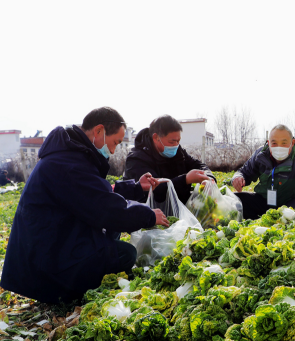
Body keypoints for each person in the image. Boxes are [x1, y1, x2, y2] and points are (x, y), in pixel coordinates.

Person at [0, 107, 170, 305]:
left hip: (55, 242)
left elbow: (99, 192)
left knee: (112, 231)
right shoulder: (68, 164)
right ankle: (64, 293)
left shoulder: (70, 155)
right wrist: (148, 215)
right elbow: (104, 207)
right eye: (115, 142)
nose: (114, 150)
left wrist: (135, 187)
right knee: (126, 254)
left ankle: (78, 277)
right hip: (47, 263)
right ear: (99, 131)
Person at [123, 115, 216, 207]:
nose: (175, 145)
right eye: (172, 142)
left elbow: (198, 165)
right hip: (151, 215)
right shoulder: (137, 159)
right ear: (156, 138)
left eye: (178, 141)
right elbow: (156, 190)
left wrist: (208, 177)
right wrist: (185, 180)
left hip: (180, 210)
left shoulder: (178, 151)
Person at [232, 124, 295, 219]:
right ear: (268, 143)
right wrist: (238, 177)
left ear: (292, 143)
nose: (279, 147)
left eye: (284, 143)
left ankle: (280, 222)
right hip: (265, 202)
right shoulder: (260, 155)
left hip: (290, 205)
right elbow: (244, 172)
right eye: (274, 143)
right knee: (235, 200)